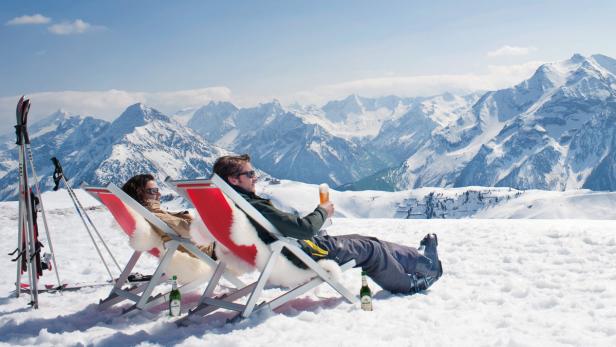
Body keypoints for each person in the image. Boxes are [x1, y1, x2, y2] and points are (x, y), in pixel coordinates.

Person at [212, 154, 443, 295]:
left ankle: (420, 259)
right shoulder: (251, 205)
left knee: (367, 241)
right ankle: (408, 284)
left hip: (289, 249)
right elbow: (304, 228)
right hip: (300, 254)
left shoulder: (228, 203)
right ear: (233, 180)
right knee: (370, 250)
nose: (255, 177)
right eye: (250, 173)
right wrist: (322, 211)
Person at [121, 174, 216, 259]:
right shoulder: (153, 215)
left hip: (200, 248)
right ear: (140, 193)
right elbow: (190, 230)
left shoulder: (142, 213)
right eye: (154, 191)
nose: (159, 194)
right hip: (209, 250)